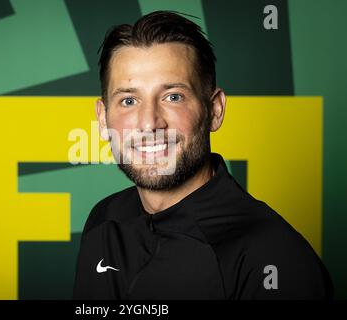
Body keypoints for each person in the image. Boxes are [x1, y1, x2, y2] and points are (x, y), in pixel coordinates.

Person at [72, 10, 333, 299]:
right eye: (129, 100)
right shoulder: (103, 220)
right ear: (103, 118)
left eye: (173, 96)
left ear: (215, 110)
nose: (149, 123)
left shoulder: (275, 258)